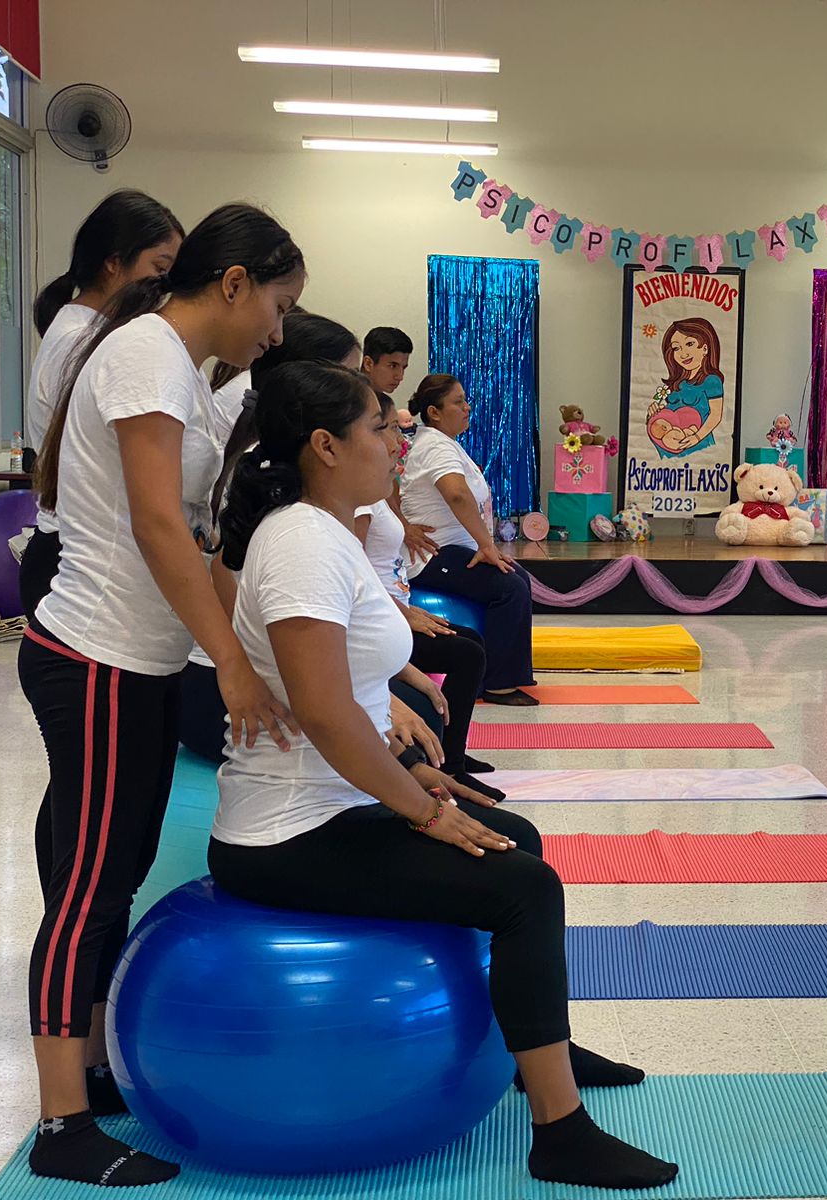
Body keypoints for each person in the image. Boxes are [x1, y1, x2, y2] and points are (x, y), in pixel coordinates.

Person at [208, 361, 677, 1188]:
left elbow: (352, 694)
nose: (400, 443)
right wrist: (423, 810)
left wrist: (421, 774)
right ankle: (559, 1132)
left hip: (335, 801)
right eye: (382, 429)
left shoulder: (328, 531)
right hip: (284, 832)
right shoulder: (300, 543)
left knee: (517, 836)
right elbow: (322, 710)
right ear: (324, 445)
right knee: (523, 888)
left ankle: (545, 1055)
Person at [19, 203, 306, 1186]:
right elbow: (154, 525)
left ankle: (89, 1074)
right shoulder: (148, 357)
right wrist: (226, 660)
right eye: (275, 305)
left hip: (124, 658)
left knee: (104, 873)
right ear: (233, 283)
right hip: (97, 656)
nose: (275, 331)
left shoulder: (169, 365)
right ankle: (63, 1125)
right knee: (91, 888)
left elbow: (191, 531)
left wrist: (253, 646)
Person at [178, 312, 450, 772]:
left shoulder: (311, 487)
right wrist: (378, 704)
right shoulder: (280, 492)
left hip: (273, 676)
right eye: (345, 376)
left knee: (423, 702)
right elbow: (247, 607)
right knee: (415, 722)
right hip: (228, 691)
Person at [18, 190, 184, 616]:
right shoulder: (81, 341)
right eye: (159, 269)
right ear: (114, 262)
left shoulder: (95, 332)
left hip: (77, 547)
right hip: (70, 555)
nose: (164, 288)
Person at [356, 389, 495, 780]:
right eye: (390, 430)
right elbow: (355, 575)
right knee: (466, 654)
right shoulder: (360, 502)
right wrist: (403, 613)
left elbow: (398, 520)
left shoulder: (383, 488)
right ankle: (449, 765)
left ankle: (455, 758)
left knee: (472, 644)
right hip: (379, 619)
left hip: (397, 610)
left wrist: (409, 529)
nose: (403, 440)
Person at [400, 374, 538, 706]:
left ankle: (500, 673)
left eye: (465, 399)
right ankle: (497, 684)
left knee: (516, 577)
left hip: (451, 549)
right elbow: (457, 495)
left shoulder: (442, 442)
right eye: (458, 401)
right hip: (432, 555)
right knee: (510, 587)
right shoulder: (434, 445)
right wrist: (487, 546)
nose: (467, 407)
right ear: (434, 411)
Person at [646, 318, 723, 459]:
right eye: (676, 348)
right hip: (665, 451)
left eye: (689, 344)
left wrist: (697, 437)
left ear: (705, 348)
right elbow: (668, 411)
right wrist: (654, 411)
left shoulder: (711, 380)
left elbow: (716, 415)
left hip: (697, 448)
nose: (683, 354)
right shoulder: (677, 382)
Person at [360, 326, 412, 397]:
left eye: (403, 368)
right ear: (368, 364)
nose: (400, 377)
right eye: (393, 366)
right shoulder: (346, 403)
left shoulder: (382, 402)